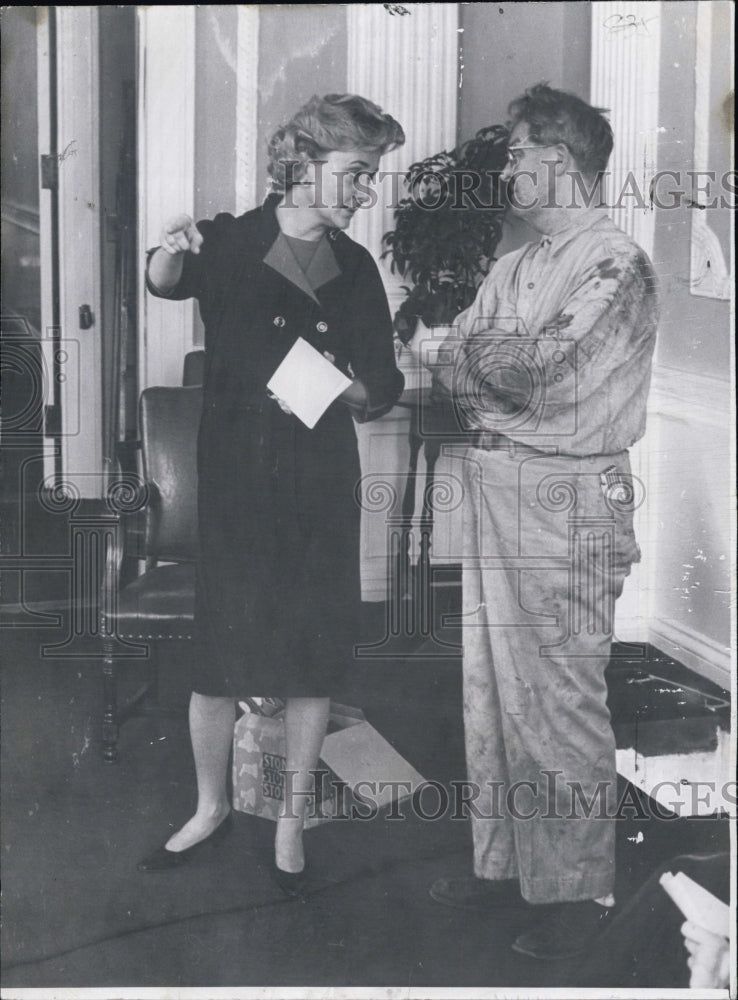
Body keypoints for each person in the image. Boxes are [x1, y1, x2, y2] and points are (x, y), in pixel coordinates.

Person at [139, 93, 405, 894]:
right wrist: (166, 248)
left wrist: (344, 386)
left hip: (319, 473)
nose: (365, 192)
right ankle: (210, 807)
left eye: (371, 176)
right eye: (356, 174)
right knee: (220, 654)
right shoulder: (229, 240)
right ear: (304, 165)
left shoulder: (355, 267)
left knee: (311, 655)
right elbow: (166, 280)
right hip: (238, 475)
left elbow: (383, 388)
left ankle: (291, 823)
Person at [424, 84, 659, 957]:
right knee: (491, 694)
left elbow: (544, 372)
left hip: (568, 502)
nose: (509, 167)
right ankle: (509, 871)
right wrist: (483, 360)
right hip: (497, 485)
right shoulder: (520, 263)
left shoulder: (615, 266)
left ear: (560, 160)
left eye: (519, 152)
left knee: (558, 699)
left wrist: (474, 354)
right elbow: (466, 371)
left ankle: (578, 895)